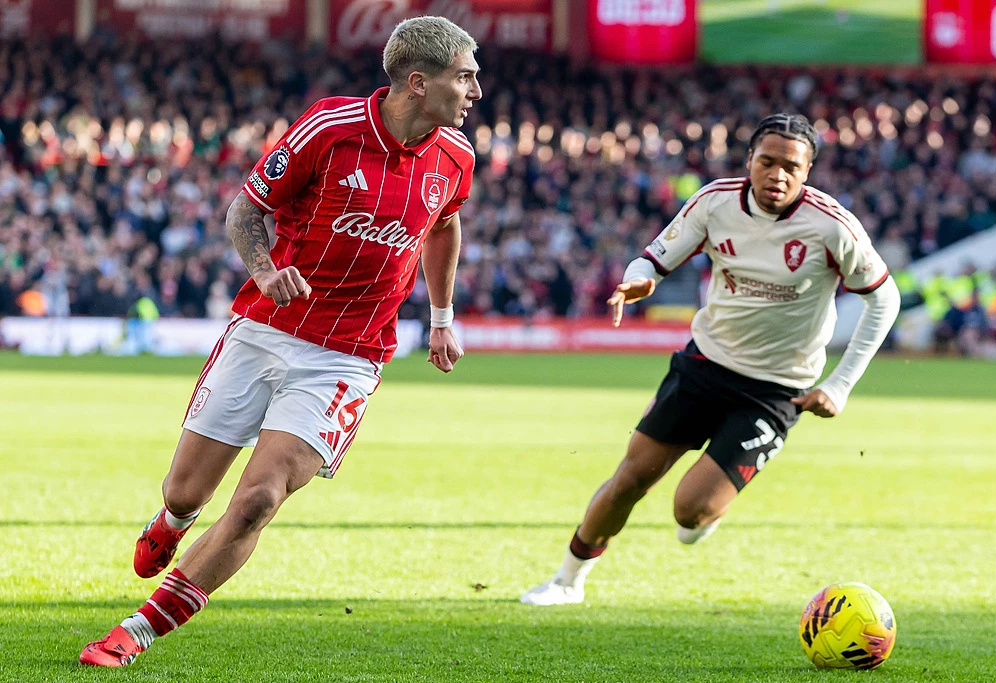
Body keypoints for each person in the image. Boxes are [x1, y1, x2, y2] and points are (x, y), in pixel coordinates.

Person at [80, 16, 481, 666]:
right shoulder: (328, 129)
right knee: (186, 491)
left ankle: (136, 632)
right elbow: (245, 209)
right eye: (465, 76)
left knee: (259, 499)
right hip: (265, 330)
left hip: (349, 357)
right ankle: (172, 522)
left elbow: (444, 227)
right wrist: (265, 271)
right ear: (418, 82)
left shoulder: (456, 156)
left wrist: (441, 315)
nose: (476, 90)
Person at [520, 114, 901, 606]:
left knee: (690, 512)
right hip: (705, 365)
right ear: (749, 161)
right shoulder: (714, 202)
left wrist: (841, 383)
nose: (777, 176)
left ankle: (710, 508)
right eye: (767, 162)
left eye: (791, 167)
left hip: (775, 391)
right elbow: (654, 257)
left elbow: (885, 298)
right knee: (631, 478)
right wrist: (642, 278)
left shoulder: (832, 226)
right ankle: (567, 581)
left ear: (807, 172)